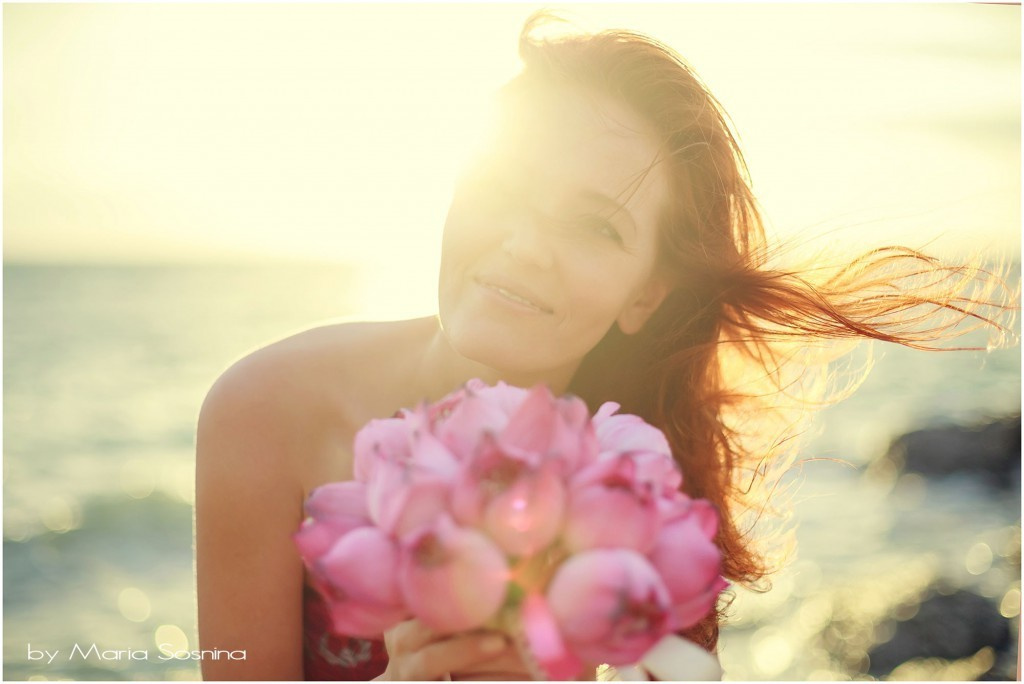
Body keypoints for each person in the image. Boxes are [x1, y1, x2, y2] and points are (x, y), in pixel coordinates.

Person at [194, 13, 1016, 681]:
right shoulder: (267, 410)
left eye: (595, 226)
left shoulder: (643, 477)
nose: (523, 246)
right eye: (503, 186)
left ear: (646, 294)